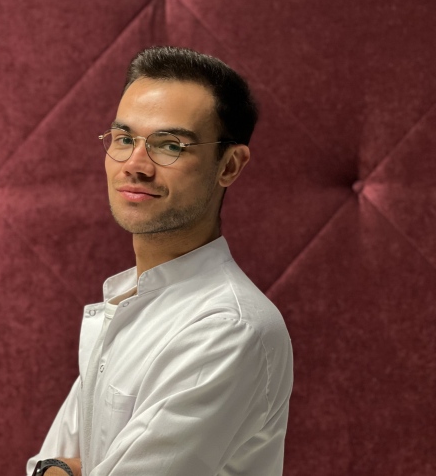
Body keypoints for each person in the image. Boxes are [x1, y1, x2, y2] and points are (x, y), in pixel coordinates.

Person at [28, 46, 293, 476]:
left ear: (229, 165)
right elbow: (42, 466)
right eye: (124, 139)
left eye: (170, 145)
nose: (135, 165)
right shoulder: (128, 304)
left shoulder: (228, 328)